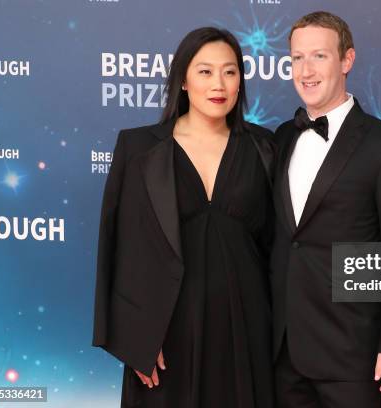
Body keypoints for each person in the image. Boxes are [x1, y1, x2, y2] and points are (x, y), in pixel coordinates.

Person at [92, 27, 275, 408]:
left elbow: (280, 247)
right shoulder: (138, 147)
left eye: (230, 71)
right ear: (184, 81)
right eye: (205, 71)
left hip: (245, 325)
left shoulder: (265, 147)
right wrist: (135, 338)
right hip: (164, 330)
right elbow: (118, 247)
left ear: (241, 80)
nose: (219, 83)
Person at [270, 11, 381, 408]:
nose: (305, 70)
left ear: (347, 61)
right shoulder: (282, 137)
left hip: (354, 352)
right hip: (282, 351)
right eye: (297, 58)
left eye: (318, 56)